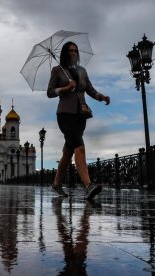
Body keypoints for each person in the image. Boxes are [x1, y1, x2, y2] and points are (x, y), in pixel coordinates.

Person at [47, 41, 110, 199]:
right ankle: (88, 185)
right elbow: (49, 92)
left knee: (68, 152)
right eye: (70, 51)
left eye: (75, 50)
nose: (74, 53)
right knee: (79, 147)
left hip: (81, 114)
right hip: (65, 114)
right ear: (65, 53)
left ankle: (56, 184)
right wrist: (65, 88)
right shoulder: (57, 70)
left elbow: (89, 89)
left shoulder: (82, 71)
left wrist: (101, 97)